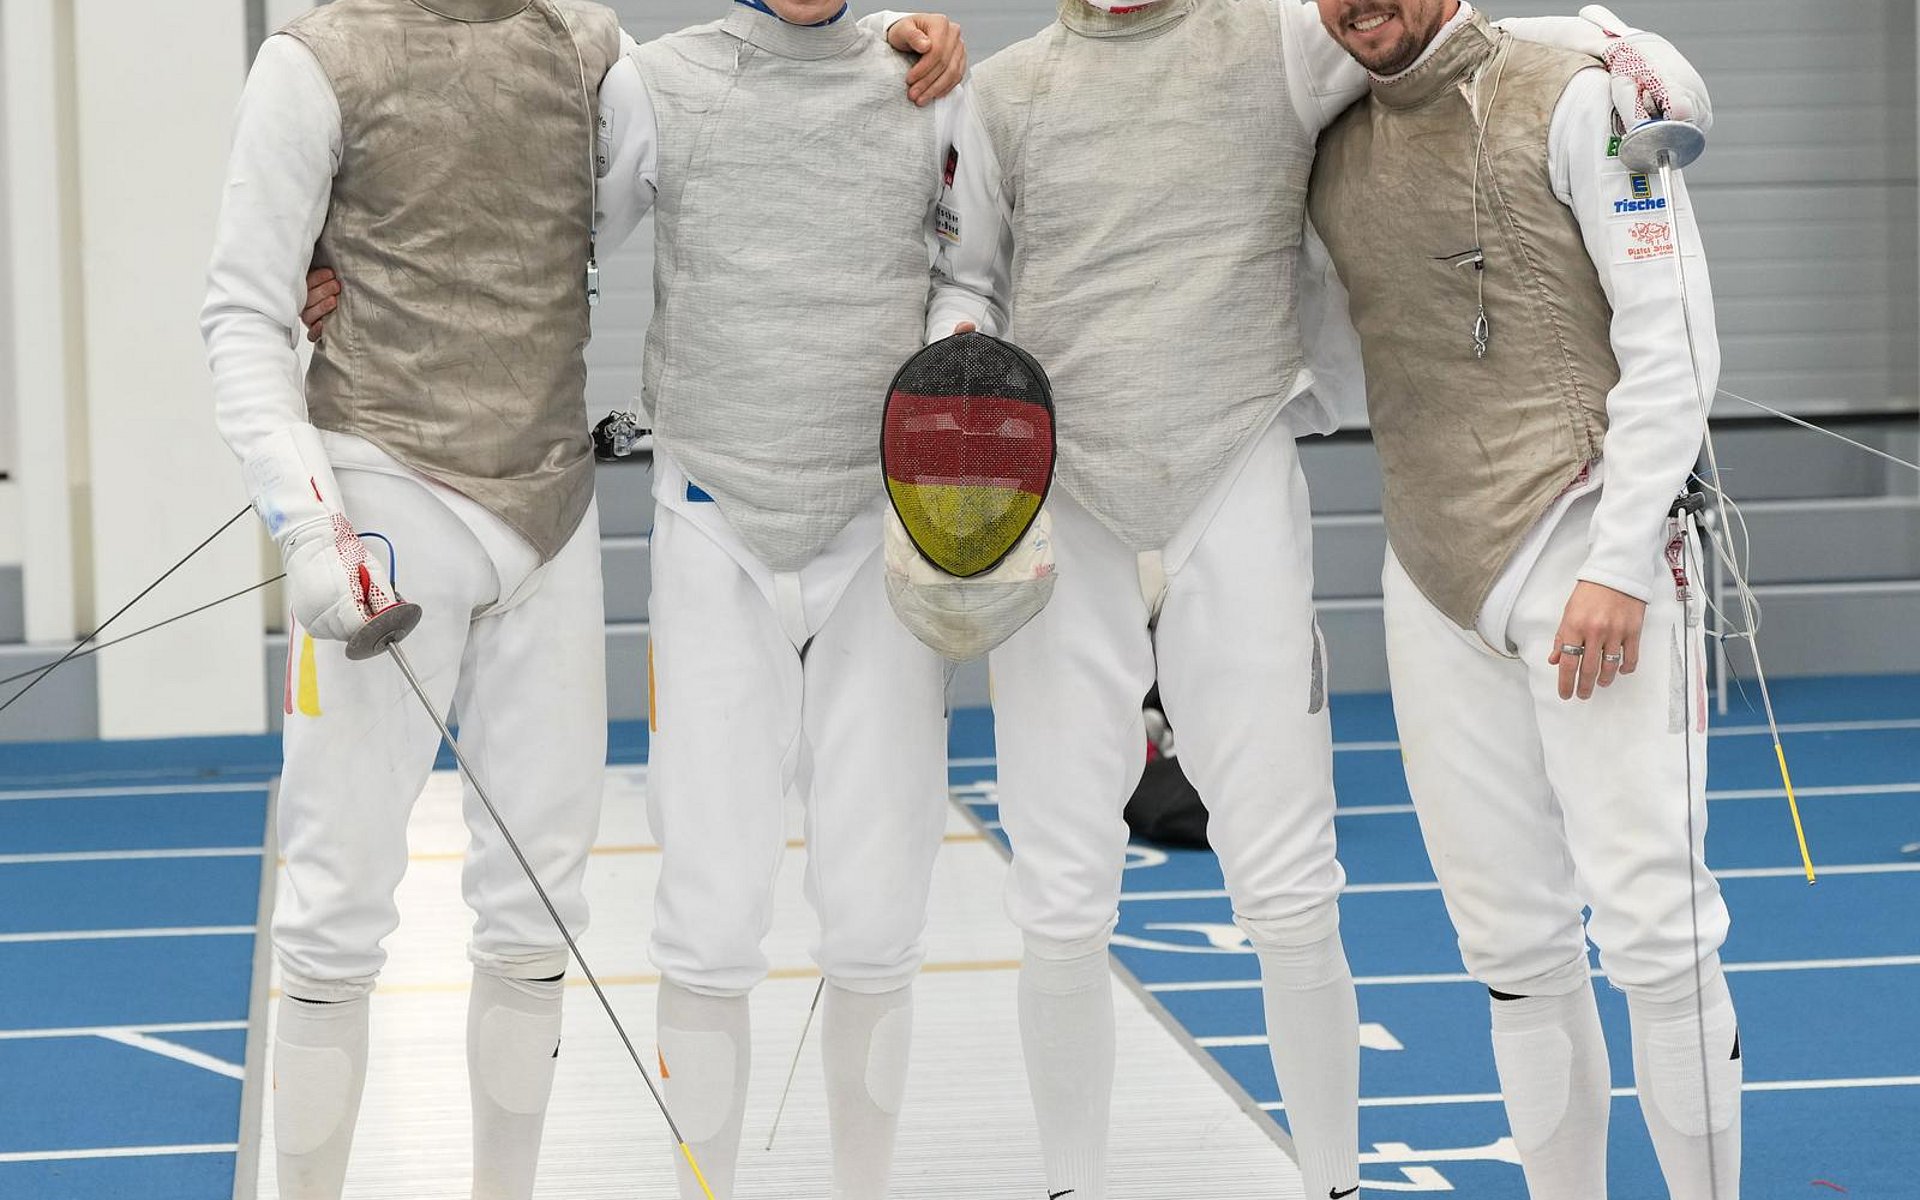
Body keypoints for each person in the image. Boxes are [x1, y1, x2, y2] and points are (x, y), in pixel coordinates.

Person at [933, 3, 1708, 1196]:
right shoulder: (1003, 91)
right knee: (1061, 893)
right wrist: (961, 360)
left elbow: (1455, 38)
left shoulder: (1278, 40)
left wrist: (1635, 59)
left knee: (1296, 886)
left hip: (1248, 481)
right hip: (1076, 507)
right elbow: (964, 276)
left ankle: (1332, 1185)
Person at [203, 2, 962, 1197]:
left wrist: (905, 35)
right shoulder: (316, 58)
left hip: (548, 519)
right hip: (382, 500)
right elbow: (242, 314)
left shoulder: (590, 47)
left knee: (536, 915)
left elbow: (687, 177)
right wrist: (308, 522)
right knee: (335, 912)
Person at [1306, 2, 1736, 1196]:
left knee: (1653, 928)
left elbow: (1674, 336)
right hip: (1434, 575)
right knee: (1511, 948)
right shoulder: (1332, 138)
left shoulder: (1577, 94)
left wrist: (1622, 560)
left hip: (1587, 544)